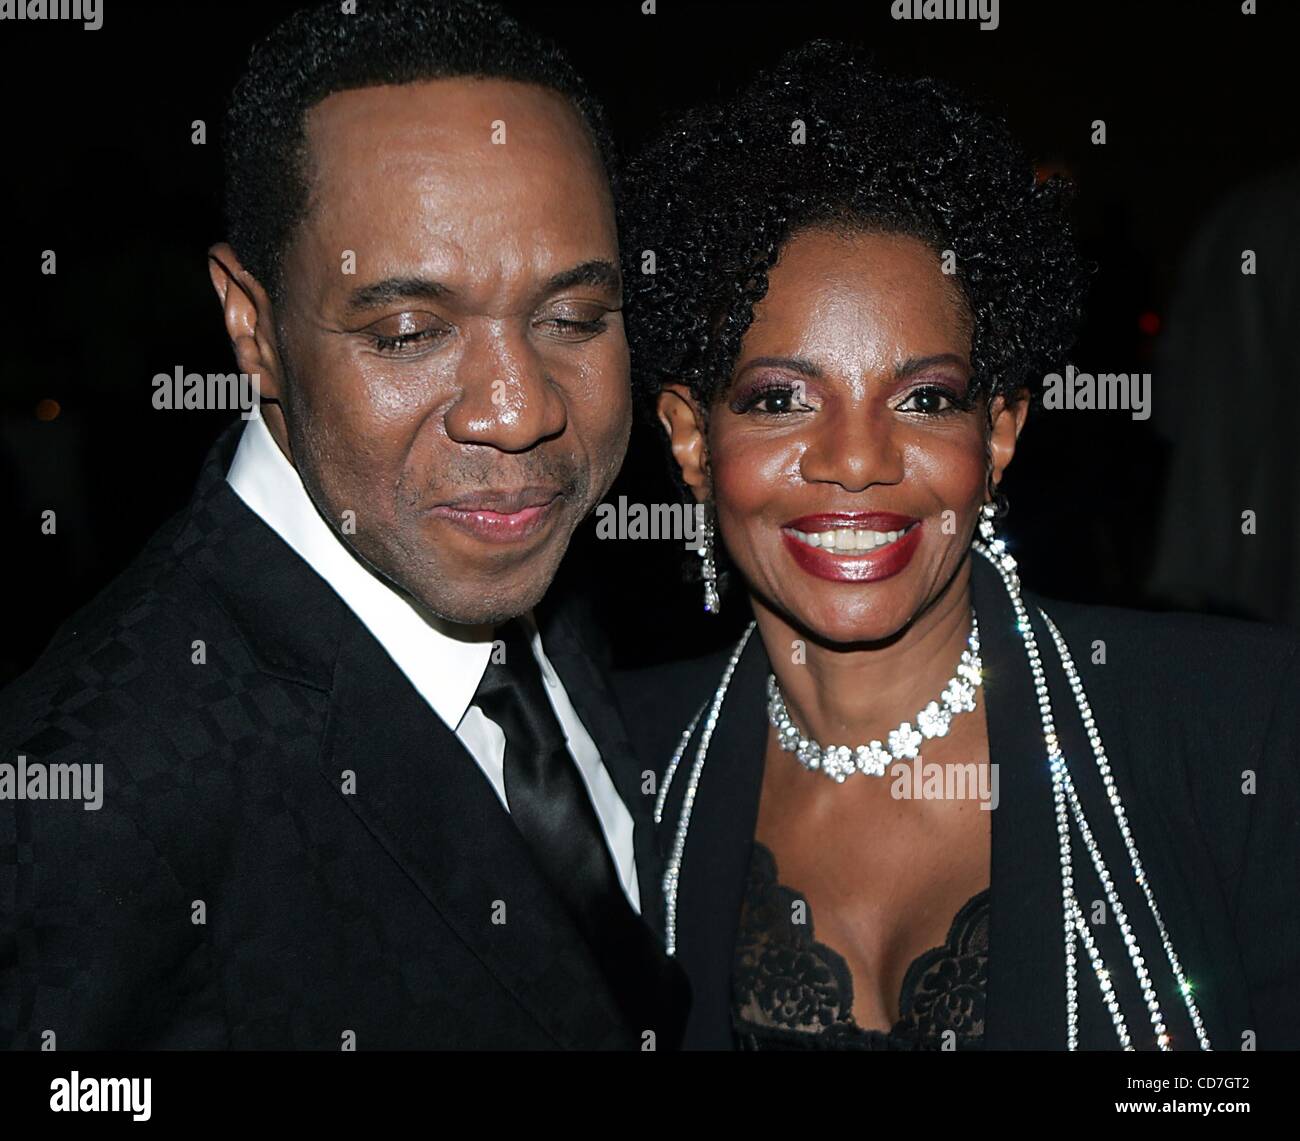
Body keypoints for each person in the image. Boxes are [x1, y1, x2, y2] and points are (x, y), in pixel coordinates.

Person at [0, 0, 686, 1050]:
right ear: (252, 326)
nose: (521, 408)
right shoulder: (87, 802)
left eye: (572, 319)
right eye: (411, 332)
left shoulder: (560, 592)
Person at [615, 42, 1300, 1051]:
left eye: (925, 398)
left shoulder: (1240, 729)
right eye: (779, 399)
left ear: (1000, 432)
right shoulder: (612, 768)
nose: (856, 460)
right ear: (689, 438)